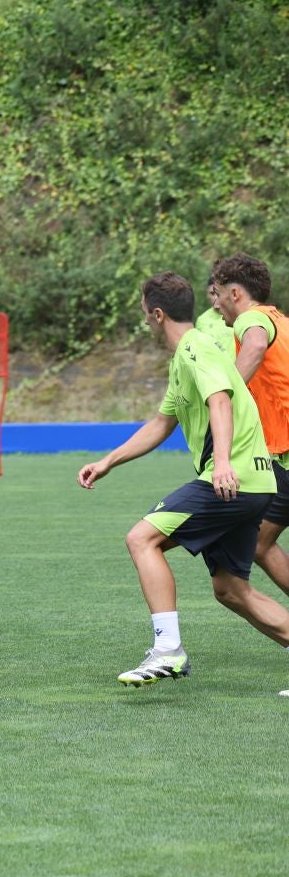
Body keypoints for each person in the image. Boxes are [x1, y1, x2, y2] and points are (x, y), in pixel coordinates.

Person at [78, 271, 286, 688]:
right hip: (254, 483)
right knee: (230, 589)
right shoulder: (186, 358)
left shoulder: (196, 349)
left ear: (157, 314)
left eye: (144, 315)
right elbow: (161, 422)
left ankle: (168, 650)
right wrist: (109, 461)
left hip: (233, 478)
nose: (144, 322)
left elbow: (220, 401)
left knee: (142, 538)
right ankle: (169, 650)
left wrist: (223, 461)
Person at [210, 253, 289, 617]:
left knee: (258, 543)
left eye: (219, 293)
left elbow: (255, 344)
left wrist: (227, 398)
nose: (217, 302)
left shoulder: (253, 320)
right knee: (260, 543)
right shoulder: (281, 321)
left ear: (237, 293)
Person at [197, 273, 236, 353]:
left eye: (218, 293)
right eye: (212, 293)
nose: (216, 297)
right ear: (206, 294)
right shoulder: (202, 320)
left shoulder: (236, 315)